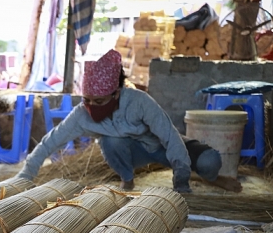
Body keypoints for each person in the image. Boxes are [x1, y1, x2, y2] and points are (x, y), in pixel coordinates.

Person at [16, 49, 242, 193]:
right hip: (132, 153)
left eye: (99, 100)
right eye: (87, 100)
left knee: (210, 160)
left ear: (116, 93)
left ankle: (210, 178)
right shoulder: (82, 114)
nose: (92, 106)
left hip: (161, 146)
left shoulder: (139, 102)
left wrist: (181, 179)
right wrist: (25, 176)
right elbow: (50, 142)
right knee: (109, 141)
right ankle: (127, 179)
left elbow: (169, 135)